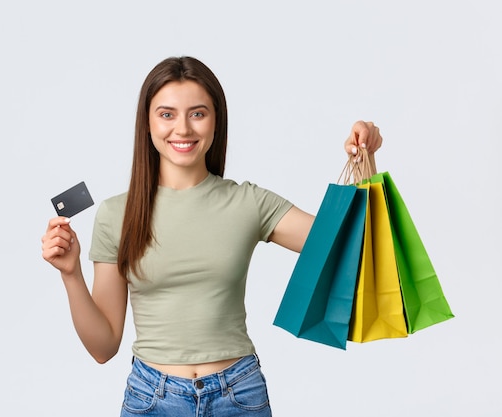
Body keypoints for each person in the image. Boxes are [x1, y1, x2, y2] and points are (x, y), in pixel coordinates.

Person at [41, 56, 382, 416]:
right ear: (147, 123)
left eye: (198, 113)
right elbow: (103, 347)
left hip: (239, 395)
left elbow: (350, 246)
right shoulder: (116, 214)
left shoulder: (248, 202)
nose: (183, 129)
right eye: (167, 114)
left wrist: (365, 162)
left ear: (216, 121)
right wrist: (71, 273)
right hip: (152, 398)